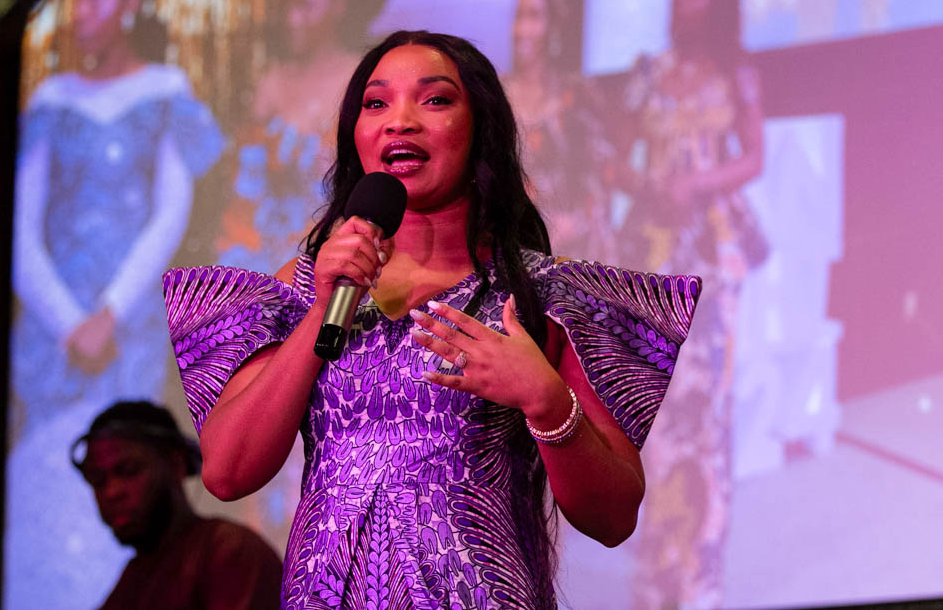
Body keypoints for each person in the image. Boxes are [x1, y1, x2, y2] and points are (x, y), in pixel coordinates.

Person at [163, 30, 701, 608]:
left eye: (435, 100)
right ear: (357, 136)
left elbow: (614, 517)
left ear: (481, 132)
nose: (400, 121)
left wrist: (546, 402)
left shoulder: (543, 296)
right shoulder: (303, 290)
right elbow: (226, 472)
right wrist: (323, 308)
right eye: (376, 104)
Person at [6, 0, 225, 608]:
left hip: (125, 322)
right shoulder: (51, 97)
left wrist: (110, 309)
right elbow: (22, 221)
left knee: (127, 461)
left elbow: (170, 213)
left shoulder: (164, 91)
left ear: (130, 5)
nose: (80, 12)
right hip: (55, 326)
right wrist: (67, 319)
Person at [612, 0, 767, 607]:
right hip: (655, 252)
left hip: (714, 255)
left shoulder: (738, 74)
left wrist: (699, 181)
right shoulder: (649, 73)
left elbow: (755, 157)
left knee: (708, 416)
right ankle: (657, 576)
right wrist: (650, 184)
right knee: (660, 415)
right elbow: (615, 161)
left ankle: (698, 578)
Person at [217, 0, 390, 273]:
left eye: (305, 5)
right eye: (287, 5)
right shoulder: (272, 81)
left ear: (339, 6)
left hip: (326, 256)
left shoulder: (360, 78)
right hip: (256, 253)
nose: (291, 18)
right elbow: (245, 186)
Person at [71, 401, 283, 610]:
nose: (111, 492)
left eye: (128, 470)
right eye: (97, 480)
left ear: (175, 463)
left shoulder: (229, 549)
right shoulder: (133, 578)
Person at [503, 0, 618, 260]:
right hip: (509, 250)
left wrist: (572, 225)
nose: (522, 29)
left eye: (534, 16)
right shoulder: (494, 93)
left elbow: (601, 178)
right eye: (518, 16)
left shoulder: (578, 95)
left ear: (552, 25)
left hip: (570, 253)